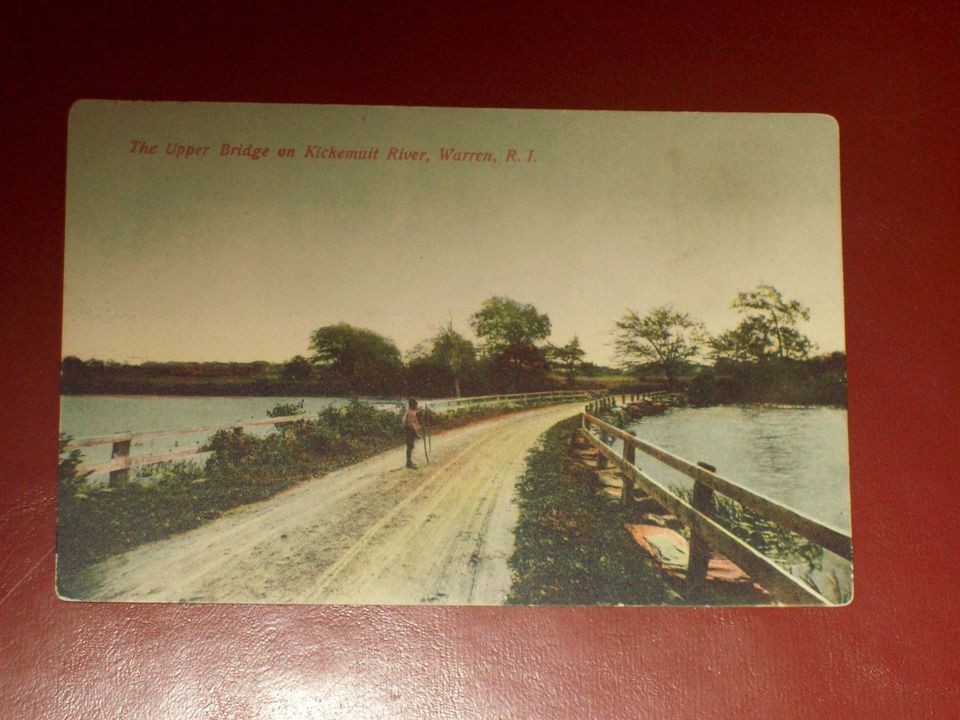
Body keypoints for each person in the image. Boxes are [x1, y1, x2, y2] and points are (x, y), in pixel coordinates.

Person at [402, 397, 422, 469]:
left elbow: (415, 422)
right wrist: (416, 433)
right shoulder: (411, 413)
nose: (416, 406)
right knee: (410, 446)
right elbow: (411, 424)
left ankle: (409, 461)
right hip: (409, 431)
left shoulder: (411, 412)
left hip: (409, 431)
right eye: (416, 405)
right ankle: (408, 462)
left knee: (410, 446)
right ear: (413, 405)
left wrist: (418, 428)